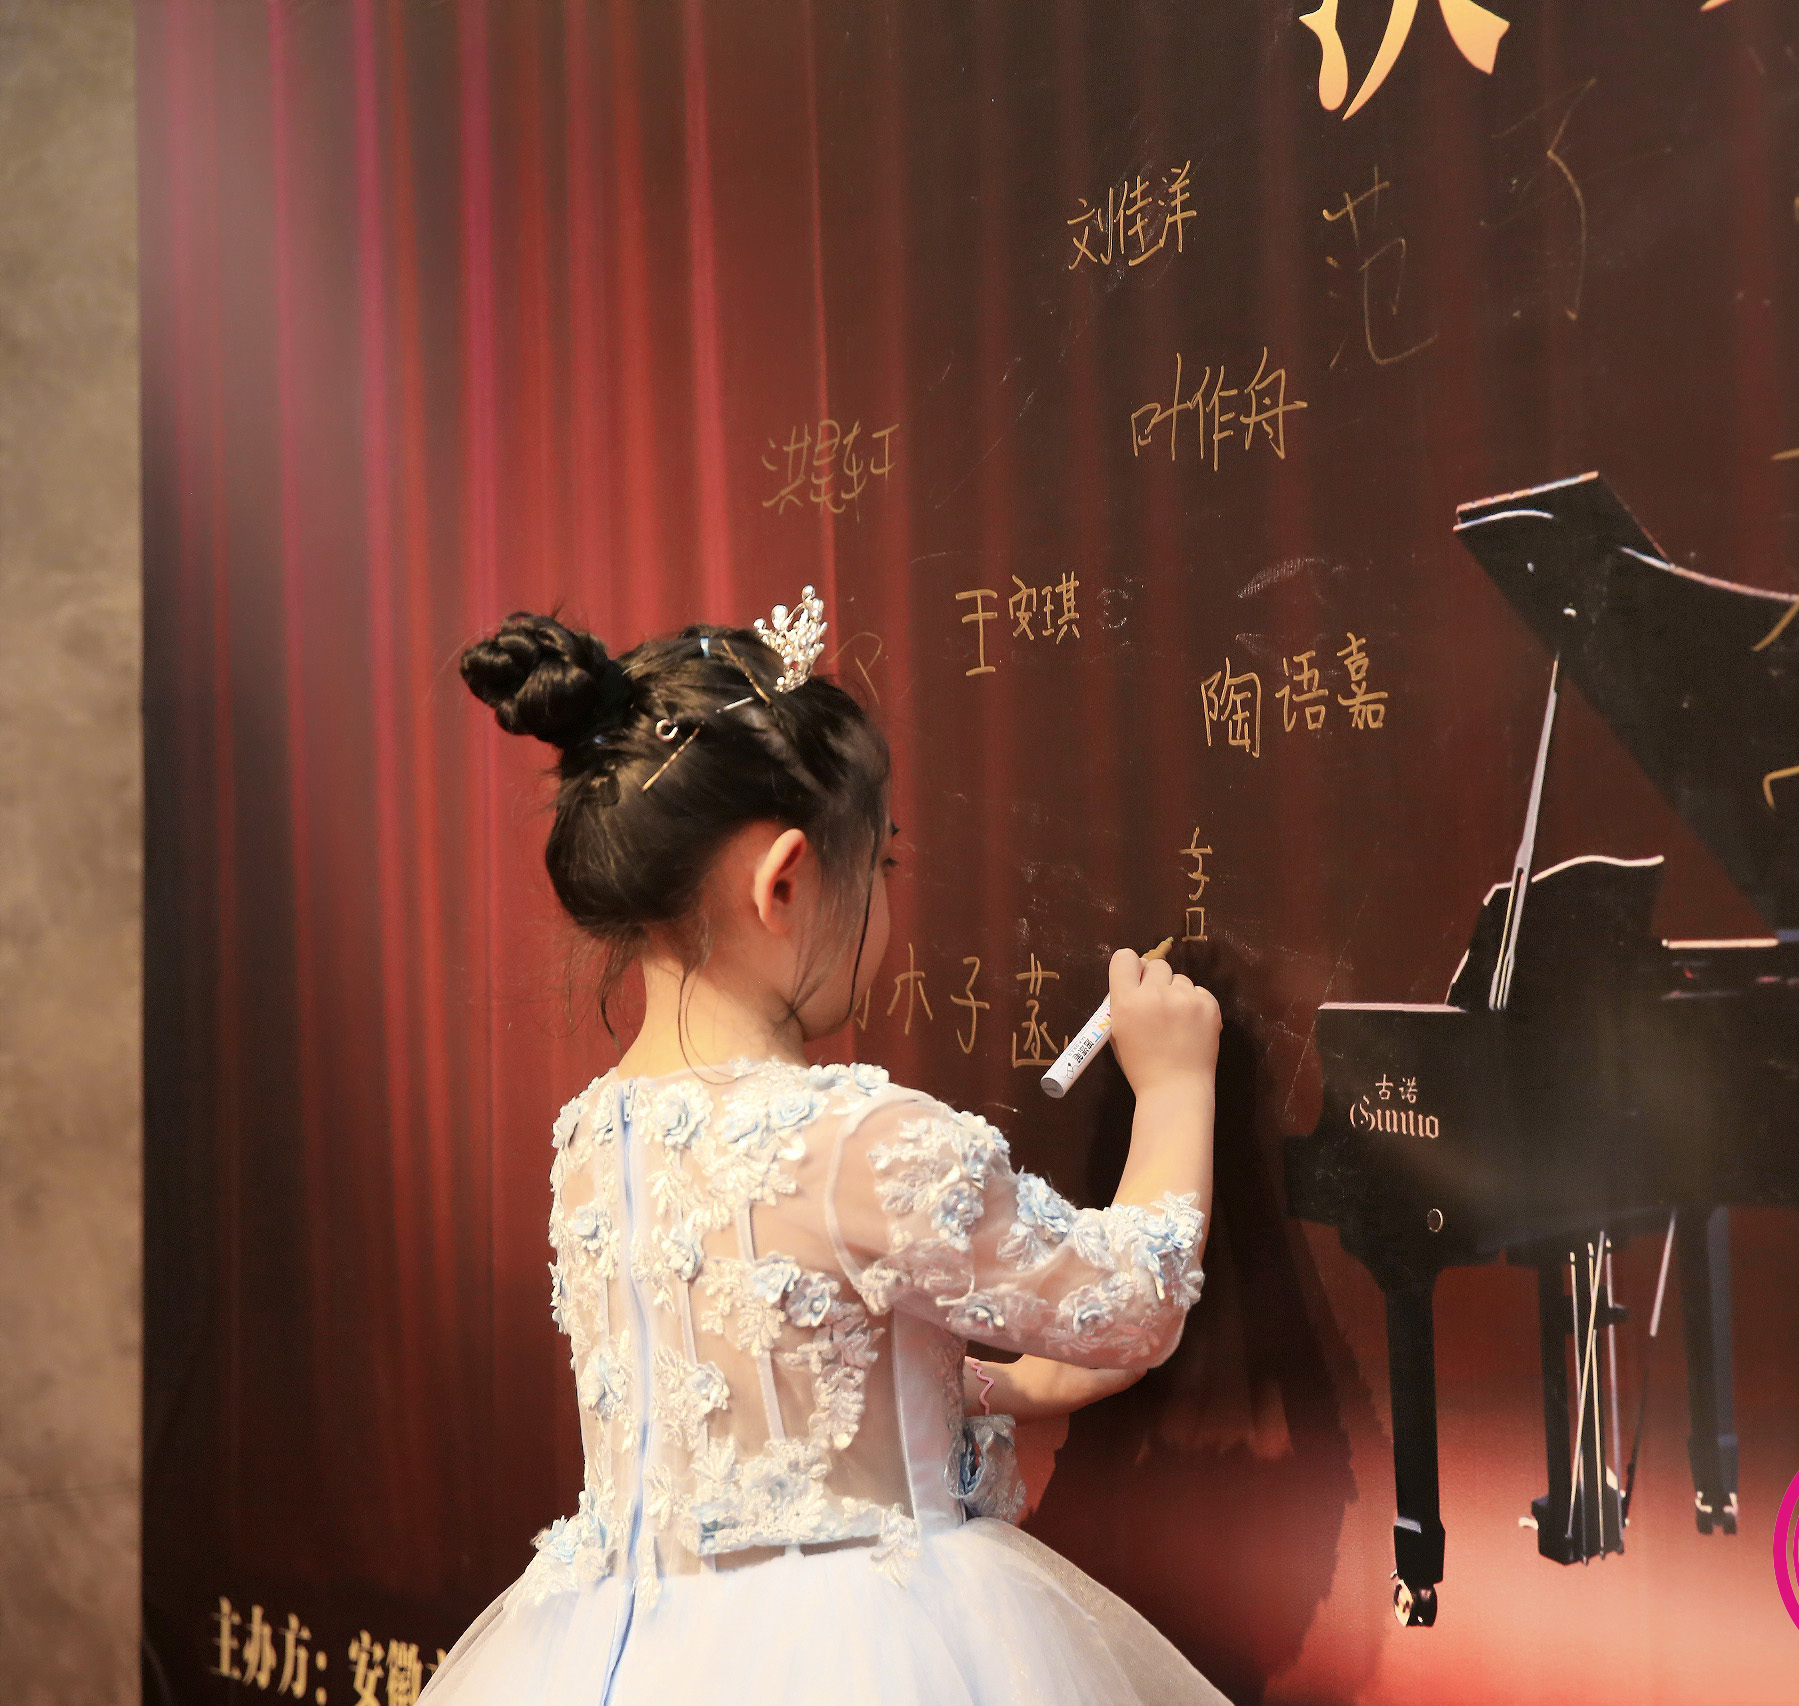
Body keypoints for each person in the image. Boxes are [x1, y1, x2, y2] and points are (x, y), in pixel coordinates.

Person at [423, 592, 1230, 1704]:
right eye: (882, 865)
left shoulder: (594, 1139)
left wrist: (962, 1387)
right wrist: (1177, 1084)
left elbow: (784, 1385)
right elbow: (1133, 1299)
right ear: (788, 879)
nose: (888, 901)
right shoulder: (862, 1139)